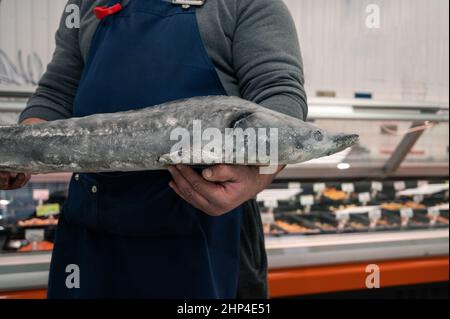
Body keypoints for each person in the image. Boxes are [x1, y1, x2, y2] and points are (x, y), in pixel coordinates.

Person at [0, 0, 307, 298]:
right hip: (92, 230)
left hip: (205, 231)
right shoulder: (84, 4)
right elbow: (57, 93)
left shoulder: (244, 5)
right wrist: (20, 153)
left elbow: (279, 97)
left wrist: (258, 174)